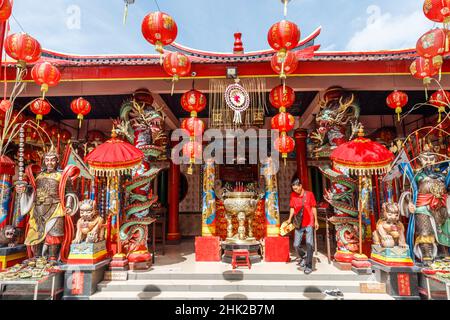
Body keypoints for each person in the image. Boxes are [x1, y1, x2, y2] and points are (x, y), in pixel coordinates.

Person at [287, 178, 319, 274]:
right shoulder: (293, 195)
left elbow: (313, 208)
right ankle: (304, 256)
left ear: (301, 186)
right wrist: (289, 219)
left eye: (297, 188)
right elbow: (292, 208)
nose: (295, 190)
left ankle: (309, 266)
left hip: (309, 222)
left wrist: (316, 221)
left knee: (309, 244)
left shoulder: (309, 194)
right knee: (296, 245)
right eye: (294, 189)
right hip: (298, 223)